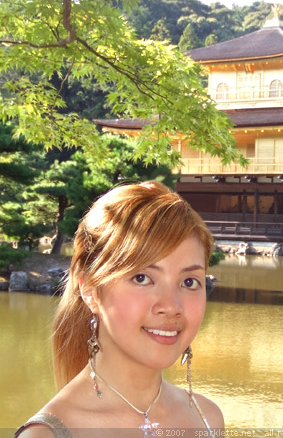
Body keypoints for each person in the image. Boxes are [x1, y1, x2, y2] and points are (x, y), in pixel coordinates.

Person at [15, 181, 224, 437]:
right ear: (90, 289)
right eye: (142, 278)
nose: (171, 306)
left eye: (189, 282)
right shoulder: (48, 434)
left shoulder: (207, 419)